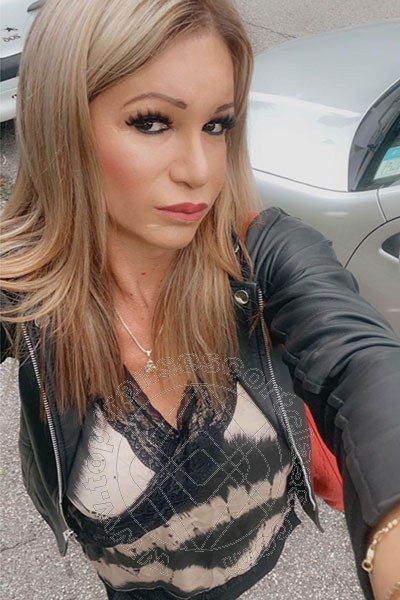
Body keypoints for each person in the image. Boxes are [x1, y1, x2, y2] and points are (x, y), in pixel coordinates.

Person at [1, 1, 399, 599]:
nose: (200, 171)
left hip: (255, 556)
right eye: (152, 122)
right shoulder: (24, 283)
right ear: (63, 123)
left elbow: (359, 361)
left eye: (217, 126)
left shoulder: (262, 254)